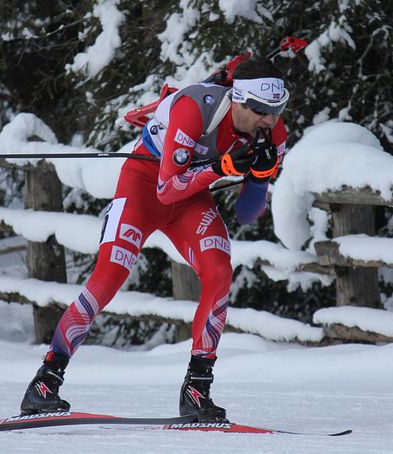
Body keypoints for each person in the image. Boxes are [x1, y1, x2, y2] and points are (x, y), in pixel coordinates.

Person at [20, 58, 289, 422]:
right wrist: (220, 168)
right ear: (238, 100)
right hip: (145, 186)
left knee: (219, 272)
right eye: (261, 110)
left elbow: (247, 214)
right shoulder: (196, 107)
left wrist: (259, 175)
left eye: (277, 109)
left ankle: (197, 390)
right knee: (109, 276)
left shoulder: (275, 132)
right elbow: (165, 188)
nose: (270, 120)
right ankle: (44, 384)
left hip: (190, 199)